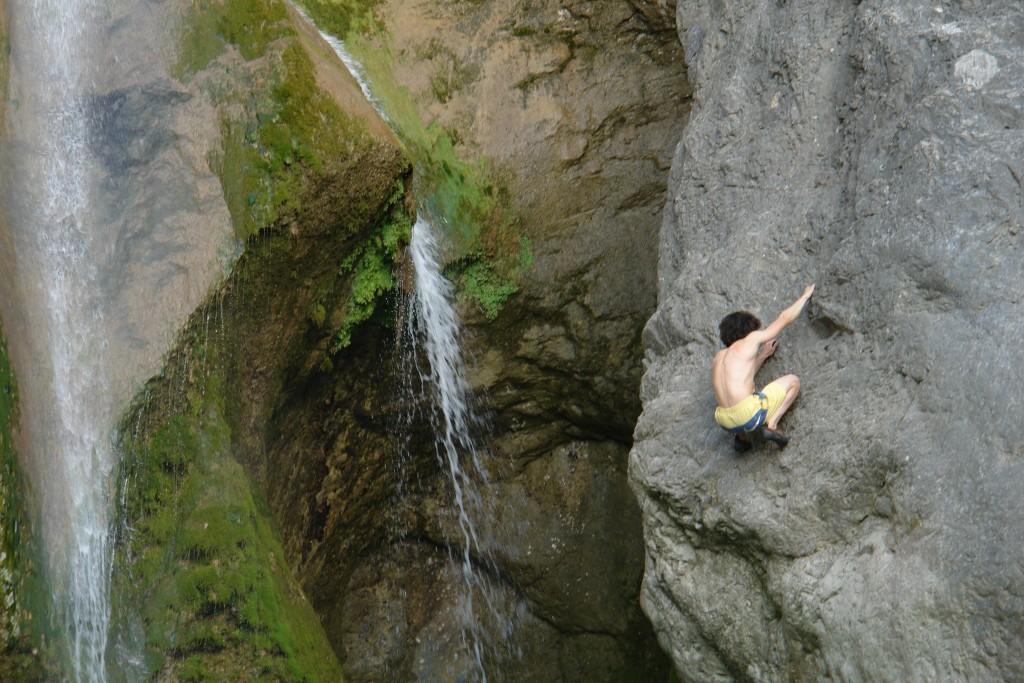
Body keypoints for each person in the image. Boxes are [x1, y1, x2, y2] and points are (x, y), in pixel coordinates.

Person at [712, 285, 815, 452]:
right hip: (748, 415)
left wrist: (763, 355)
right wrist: (804, 297)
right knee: (793, 382)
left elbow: (742, 377)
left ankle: (740, 437)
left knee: (742, 400)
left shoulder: (719, 357)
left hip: (724, 421)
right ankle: (772, 425)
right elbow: (784, 319)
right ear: (748, 330)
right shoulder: (750, 339)